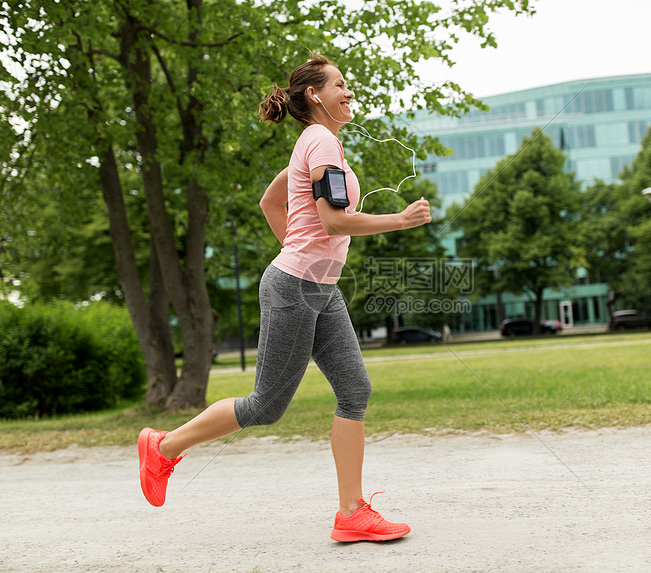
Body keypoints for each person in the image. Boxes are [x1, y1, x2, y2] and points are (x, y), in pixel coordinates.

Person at [138, 53, 432, 543]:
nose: (350, 92)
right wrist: (398, 220)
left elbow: (271, 201)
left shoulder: (317, 144)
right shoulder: (319, 142)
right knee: (266, 405)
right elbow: (336, 221)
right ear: (315, 95)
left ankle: (352, 513)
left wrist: (300, 249)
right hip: (296, 287)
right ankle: (163, 447)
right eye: (340, 84)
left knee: (354, 391)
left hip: (320, 289)